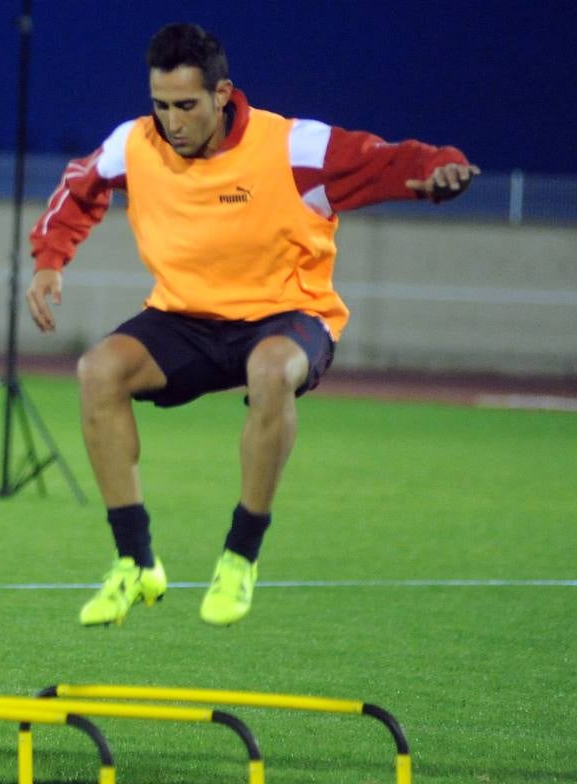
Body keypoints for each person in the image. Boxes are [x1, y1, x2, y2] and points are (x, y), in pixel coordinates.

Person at [25, 23, 478, 628]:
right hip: (185, 318)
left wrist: (443, 169)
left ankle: (239, 558)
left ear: (221, 94)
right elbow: (79, 187)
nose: (172, 122)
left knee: (270, 371)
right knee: (97, 370)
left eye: (186, 105)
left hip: (288, 315)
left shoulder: (292, 148)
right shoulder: (134, 144)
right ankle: (135, 563)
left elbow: (388, 160)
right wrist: (50, 260)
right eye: (161, 106)